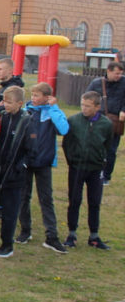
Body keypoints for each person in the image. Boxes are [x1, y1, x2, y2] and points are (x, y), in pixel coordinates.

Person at [16, 82, 69, 252]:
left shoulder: (51, 113)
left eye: (37, 95)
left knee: (46, 199)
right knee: (24, 197)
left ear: (47, 97)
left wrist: (54, 109)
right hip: (26, 162)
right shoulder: (26, 111)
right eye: (32, 95)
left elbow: (64, 129)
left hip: (44, 162)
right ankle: (25, 230)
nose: (33, 98)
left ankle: (51, 236)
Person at [0, 86, 32, 258]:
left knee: (10, 211)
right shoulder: (1, 117)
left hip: (13, 175)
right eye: (4, 101)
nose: (6, 105)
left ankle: (7, 244)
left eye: (9, 102)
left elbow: (32, 150)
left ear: (20, 103)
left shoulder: (27, 121)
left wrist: (20, 167)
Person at [62, 91, 114, 250]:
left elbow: (108, 145)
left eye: (88, 106)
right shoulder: (74, 121)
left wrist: (101, 161)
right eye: (82, 105)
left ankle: (94, 236)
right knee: (74, 200)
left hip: (95, 168)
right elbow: (67, 144)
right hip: (77, 167)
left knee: (94, 201)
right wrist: (72, 160)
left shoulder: (106, 125)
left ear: (97, 107)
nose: (84, 108)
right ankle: (72, 233)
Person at [85, 61, 125, 185]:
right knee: (95, 147)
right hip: (98, 119)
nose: (118, 76)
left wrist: (123, 110)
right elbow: (87, 97)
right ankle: (93, 172)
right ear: (108, 71)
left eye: (121, 73)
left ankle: (106, 175)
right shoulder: (97, 83)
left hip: (115, 121)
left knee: (111, 150)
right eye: (116, 73)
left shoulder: (124, 83)